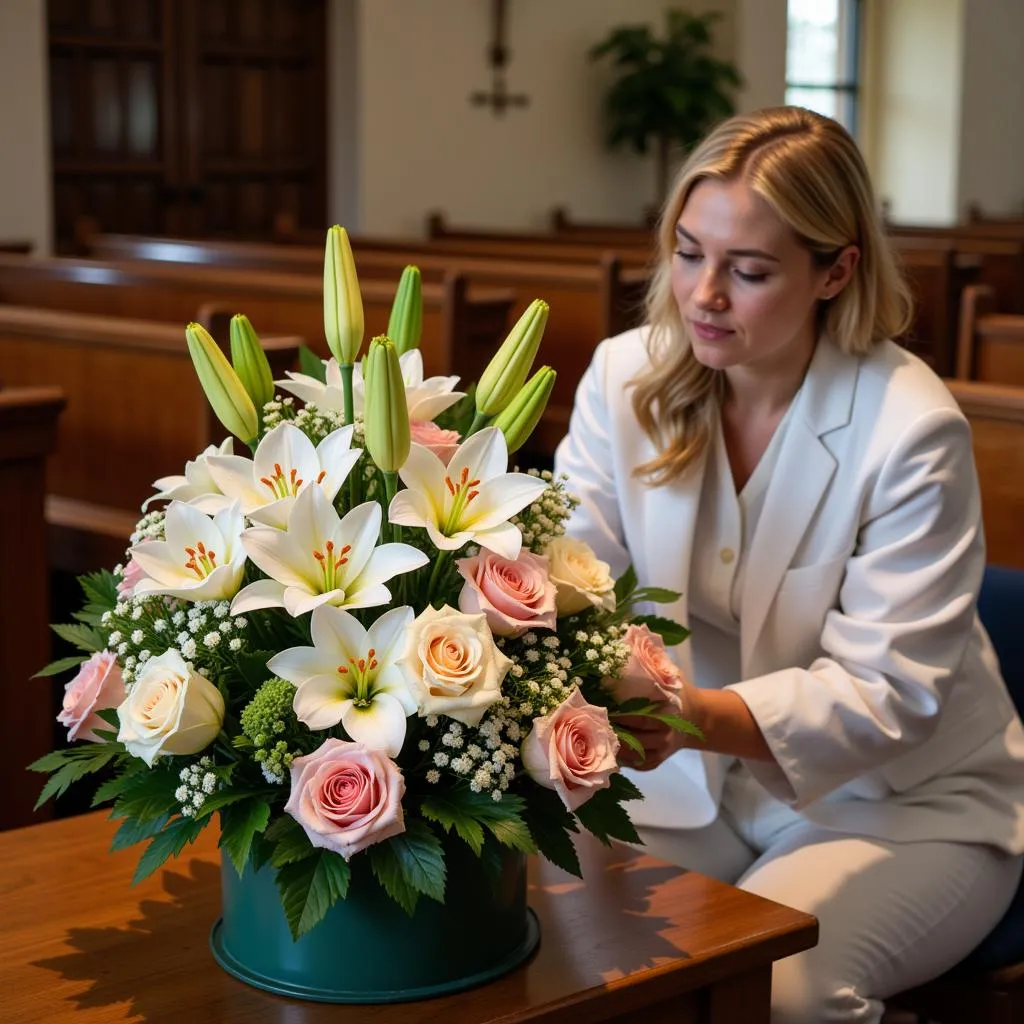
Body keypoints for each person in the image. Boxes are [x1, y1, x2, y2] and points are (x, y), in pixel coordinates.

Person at [553, 105, 1024, 1024]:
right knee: (538, 922)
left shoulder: (910, 428)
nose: (703, 295)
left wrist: (689, 715)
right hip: (692, 783)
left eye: (750, 270)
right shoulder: (625, 378)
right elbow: (576, 575)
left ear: (835, 270)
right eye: (688, 253)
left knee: (785, 991)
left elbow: (890, 690)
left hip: (902, 802)